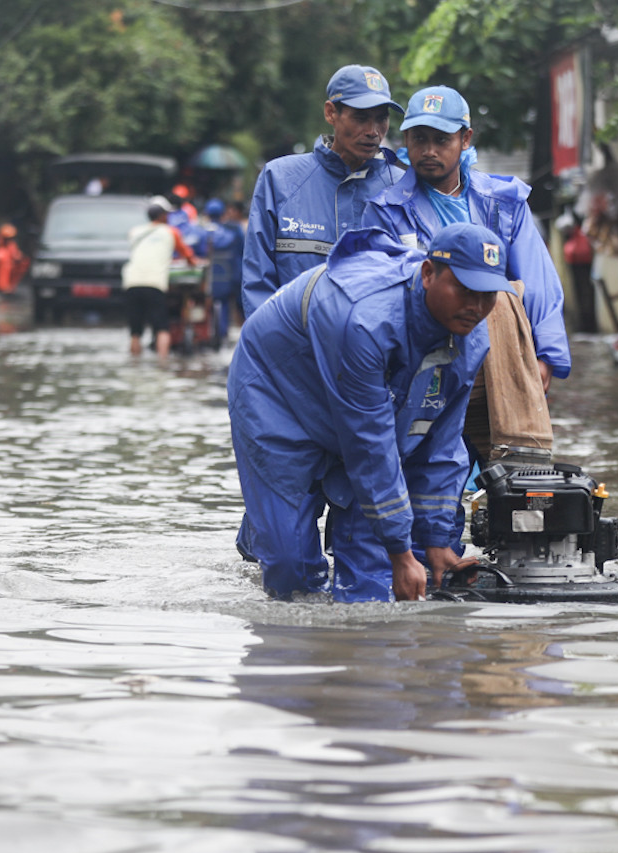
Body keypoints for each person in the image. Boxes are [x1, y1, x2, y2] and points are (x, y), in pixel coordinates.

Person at [227, 222, 511, 602]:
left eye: (488, 294)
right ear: (428, 274)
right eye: (464, 289)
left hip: (364, 403)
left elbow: (441, 443)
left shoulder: (471, 338)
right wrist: (401, 550)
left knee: (370, 586)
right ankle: (272, 524)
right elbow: (369, 445)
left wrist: (436, 543)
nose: (476, 306)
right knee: (291, 574)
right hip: (278, 391)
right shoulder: (366, 319)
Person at [362, 85, 570, 391]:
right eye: (420, 138)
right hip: (420, 362)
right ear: (406, 139)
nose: (429, 150)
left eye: (442, 139)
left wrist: (546, 356)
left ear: (465, 139)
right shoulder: (385, 211)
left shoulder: (505, 203)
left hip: (501, 358)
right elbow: (378, 299)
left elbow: (538, 282)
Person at [241, 64, 404, 317]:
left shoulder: (403, 188)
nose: (373, 131)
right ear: (331, 113)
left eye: (381, 118)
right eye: (361, 117)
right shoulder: (280, 178)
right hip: (295, 350)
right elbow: (257, 282)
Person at [121, 200, 198, 359]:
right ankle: (162, 364)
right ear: (163, 216)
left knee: (135, 332)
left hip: (131, 282)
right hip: (154, 283)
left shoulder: (134, 232)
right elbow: (188, 256)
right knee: (162, 328)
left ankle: (134, 364)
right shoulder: (171, 232)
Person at [203, 198, 245, 345]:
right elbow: (243, 250)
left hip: (207, 280)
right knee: (232, 307)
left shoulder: (202, 231)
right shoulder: (234, 230)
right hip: (231, 276)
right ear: (222, 213)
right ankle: (228, 335)